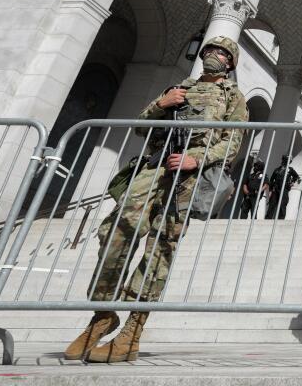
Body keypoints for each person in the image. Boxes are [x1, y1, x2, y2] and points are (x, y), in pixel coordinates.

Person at [65, 36, 246, 363]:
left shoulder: (233, 97)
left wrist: (198, 159)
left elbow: (232, 144)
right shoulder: (179, 88)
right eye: (208, 51)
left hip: (189, 178)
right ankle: (103, 313)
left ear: (230, 62)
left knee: (160, 248)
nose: (211, 56)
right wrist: (160, 105)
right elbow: (141, 127)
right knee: (115, 232)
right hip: (156, 166)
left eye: (220, 53)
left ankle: (132, 331)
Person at [267, 155, 301, 219]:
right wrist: (270, 190)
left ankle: (281, 219)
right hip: (276, 188)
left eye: (287, 161)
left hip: (284, 188)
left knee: (283, 204)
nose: (285, 162)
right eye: (284, 160)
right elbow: (271, 180)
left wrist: (291, 183)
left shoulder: (290, 170)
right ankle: (268, 218)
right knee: (272, 204)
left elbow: (296, 177)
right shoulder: (277, 170)